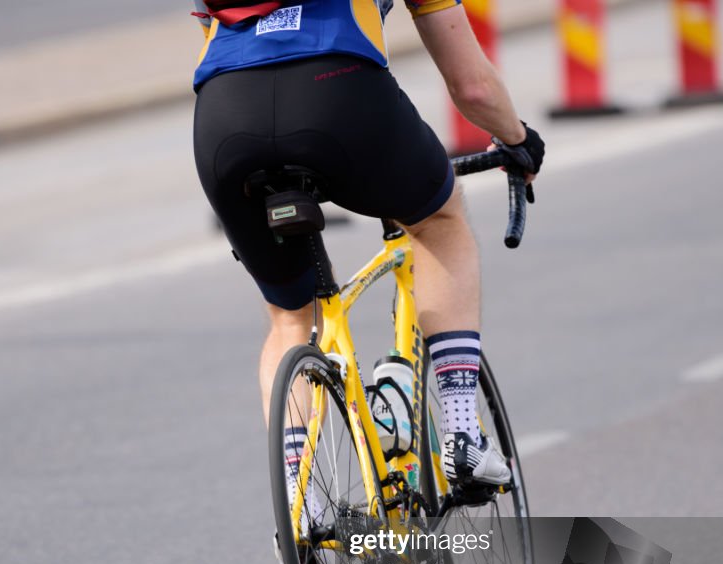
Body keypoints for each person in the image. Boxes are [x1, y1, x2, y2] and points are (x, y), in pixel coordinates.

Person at [191, 0, 544, 487]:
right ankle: (464, 435)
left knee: (292, 315)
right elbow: (473, 87)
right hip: (338, 96)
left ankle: (301, 503)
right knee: (439, 221)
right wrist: (518, 139)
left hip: (225, 123)